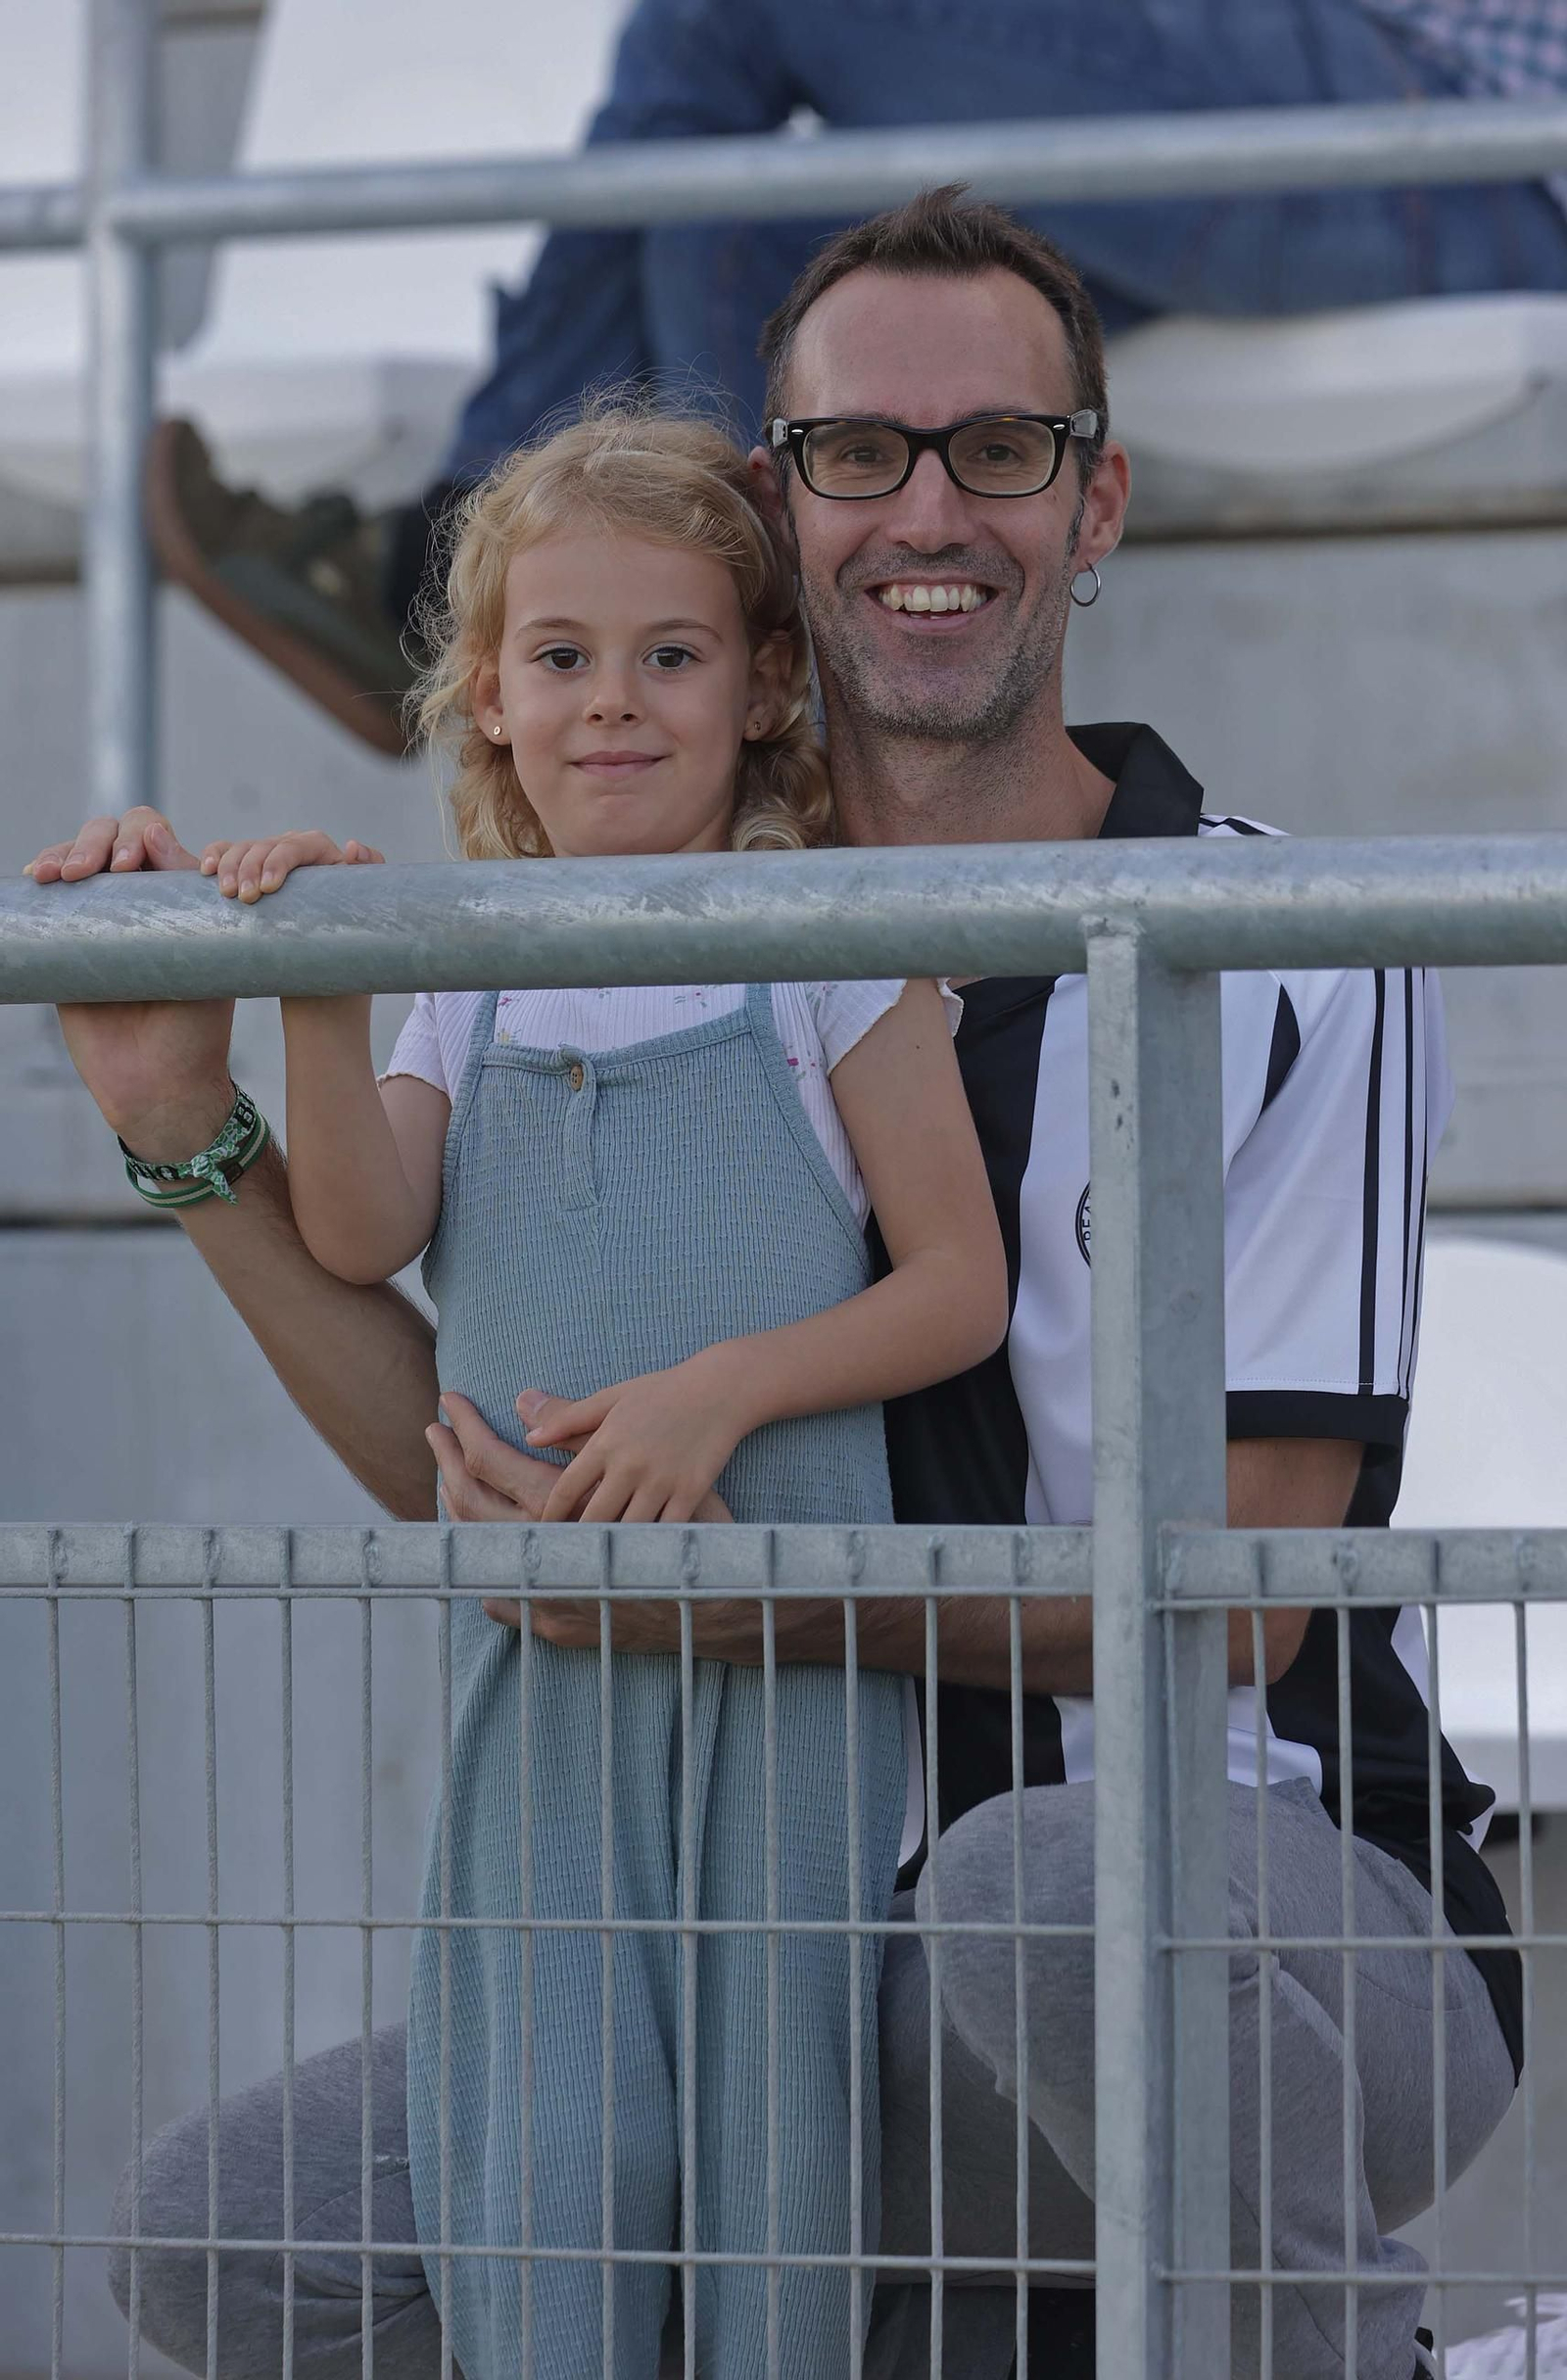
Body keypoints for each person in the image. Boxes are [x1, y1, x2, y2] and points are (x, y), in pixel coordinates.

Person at [32, 190, 1520, 2380]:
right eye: (857, 454)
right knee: (229, 2239)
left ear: (1092, 501)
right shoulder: (614, 936)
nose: (928, 513)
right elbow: (491, 1466)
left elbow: (1239, 1598)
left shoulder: (1284, 944)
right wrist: (192, 1131)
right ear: (774, 509)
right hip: (790, 1906)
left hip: (1273, 1913)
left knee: (1046, 1881)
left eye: (997, 450)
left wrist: (766, 1597)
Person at [165, 405, 1010, 2379]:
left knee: (773, 2183)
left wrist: (717, 1395)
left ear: (761, 682)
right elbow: (365, 1231)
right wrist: (324, 974)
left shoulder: (824, 946)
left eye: (669, 655)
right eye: (559, 658)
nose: (608, 705)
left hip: (789, 1685)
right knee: (543, 2162)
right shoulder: (464, 970)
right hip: (537, 1685)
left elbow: (957, 1281)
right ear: (482, 691)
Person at [144, 0, 1567, 755]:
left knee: (723, 26)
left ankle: (472, 584)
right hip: (1389, 121)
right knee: (738, 233)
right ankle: (761, 755)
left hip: (1466, 130)